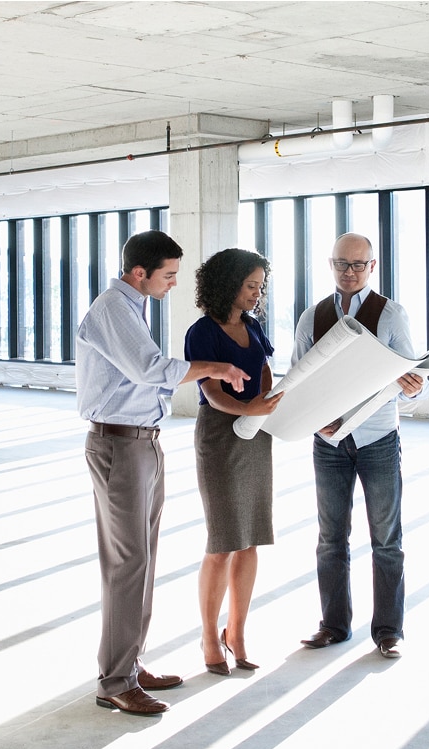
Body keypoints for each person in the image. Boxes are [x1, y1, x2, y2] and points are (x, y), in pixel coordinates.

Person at [76, 230, 250, 715]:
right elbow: (149, 368)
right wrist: (217, 367)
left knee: (143, 561)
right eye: (168, 275)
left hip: (142, 443)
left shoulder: (133, 306)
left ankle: (128, 665)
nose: (174, 284)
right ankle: (115, 681)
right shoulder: (114, 308)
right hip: (118, 444)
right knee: (128, 564)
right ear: (139, 273)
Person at [294, 232, 429, 659]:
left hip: (378, 441)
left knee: (386, 539)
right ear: (330, 265)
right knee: (330, 538)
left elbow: (417, 383)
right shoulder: (311, 317)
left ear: (372, 266)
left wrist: (412, 388)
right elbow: (297, 382)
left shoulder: (391, 314)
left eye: (357, 265)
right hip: (328, 443)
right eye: (341, 264)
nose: (349, 273)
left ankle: (389, 630)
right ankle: (333, 625)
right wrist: (315, 421)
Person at [184, 248, 283, 676]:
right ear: (229, 284)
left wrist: (265, 400)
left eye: (260, 286)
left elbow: (262, 368)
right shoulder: (202, 331)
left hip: (256, 435)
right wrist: (251, 411)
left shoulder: (254, 325)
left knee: (251, 538)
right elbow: (210, 393)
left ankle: (236, 632)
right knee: (223, 540)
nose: (257, 294)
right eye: (251, 286)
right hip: (221, 437)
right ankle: (209, 635)